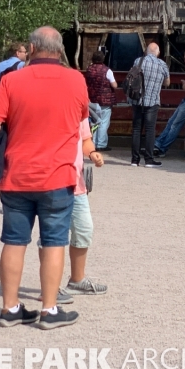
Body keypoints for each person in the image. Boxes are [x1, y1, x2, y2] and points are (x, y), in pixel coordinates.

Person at [0, 26, 90, 329]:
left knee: (14, 241)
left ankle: (9, 308)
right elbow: (82, 116)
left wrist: (8, 132)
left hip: (17, 173)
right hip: (58, 173)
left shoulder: (12, 80)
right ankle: (50, 310)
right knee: (54, 241)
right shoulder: (75, 80)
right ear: (59, 49)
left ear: (30, 48)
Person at [42, 117, 107, 305]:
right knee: (51, 235)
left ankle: (77, 280)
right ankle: (49, 287)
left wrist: (92, 152)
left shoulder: (80, 109)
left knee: (84, 229)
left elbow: (85, 138)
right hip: (53, 179)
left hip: (76, 182)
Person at [127, 42, 170, 167]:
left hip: (137, 99)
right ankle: (149, 159)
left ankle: (135, 160)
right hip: (152, 100)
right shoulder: (162, 64)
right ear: (158, 52)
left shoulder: (138, 61)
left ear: (146, 52)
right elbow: (167, 82)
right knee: (150, 130)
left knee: (136, 129)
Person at [84, 51, 117, 152]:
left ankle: (93, 143)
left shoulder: (89, 70)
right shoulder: (107, 70)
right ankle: (101, 144)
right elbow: (114, 85)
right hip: (105, 101)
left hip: (92, 100)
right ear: (103, 59)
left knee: (95, 122)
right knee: (103, 122)